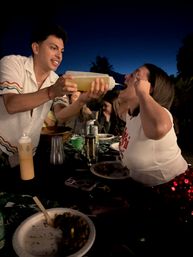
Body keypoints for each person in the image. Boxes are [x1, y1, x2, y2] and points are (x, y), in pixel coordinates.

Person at [0, 23, 108, 168]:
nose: (59, 55)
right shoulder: (12, 63)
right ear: (36, 48)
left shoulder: (55, 80)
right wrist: (51, 92)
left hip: (27, 154)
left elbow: (61, 115)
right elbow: (11, 104)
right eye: (53, 48)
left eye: (62, 51)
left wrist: (82, 100)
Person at [116, 63, 193, 224]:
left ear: (149, 88)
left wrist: (143, 94)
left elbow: (158, 128)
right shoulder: (131, 116)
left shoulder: (162, 115)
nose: (126, 76)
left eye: (135, 75)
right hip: (146, 196)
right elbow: (119, 108)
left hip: (174, 199)